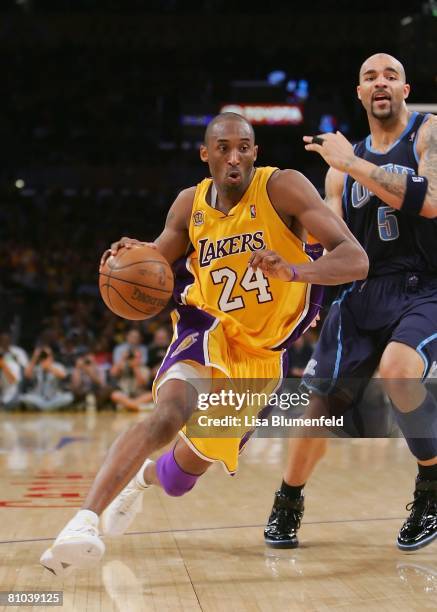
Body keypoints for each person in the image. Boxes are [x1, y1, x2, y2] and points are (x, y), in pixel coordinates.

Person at [40, 111, 367, 576]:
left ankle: (144, 478)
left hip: (263, 355)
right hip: (207, 326)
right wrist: (133, 256)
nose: (234, 157)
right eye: (223, 148)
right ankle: (81, 522)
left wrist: (295, 271)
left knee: (179, 478)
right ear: (205, 154)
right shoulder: (187, 204)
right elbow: (154, 263)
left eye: (244, 147)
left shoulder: (283, 188)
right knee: (171, 414)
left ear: (255, 152)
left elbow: (356, 260)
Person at [264, 53, 437, 552]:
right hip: (364, 291)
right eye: (369, 77)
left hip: (424, 284)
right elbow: (335, 248)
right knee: (319, 408)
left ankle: (430, 485)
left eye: (391, 75)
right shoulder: (338, 172)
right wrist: (292, 262)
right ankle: (288, 500)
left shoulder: (425, 134)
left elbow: (429, 199)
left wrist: (351, 162)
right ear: (360, 93)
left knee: (399, 371)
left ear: (406, 89)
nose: (380, 82)